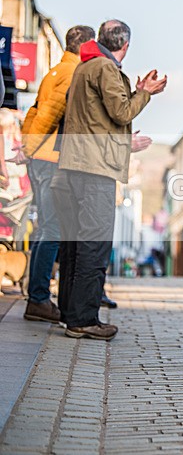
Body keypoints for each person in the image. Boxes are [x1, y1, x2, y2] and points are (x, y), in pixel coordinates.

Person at [52, 19, 165, 340]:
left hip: (73, 166)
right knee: (93, 244)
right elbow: (121, 112)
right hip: (95, 169)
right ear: (125, 45)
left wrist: (134, 92)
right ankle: (84, 319)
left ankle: (69, 314)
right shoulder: (104, 67)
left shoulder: (84, 67)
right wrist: (144, 93)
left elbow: (99, 118)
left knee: (74, 244)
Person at [18, 25, 95, 324]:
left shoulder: (55, 70)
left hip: (40, 157)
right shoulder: (72, 72)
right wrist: (32, 147)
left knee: (45, 230)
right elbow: (49, 114)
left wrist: (27, 146)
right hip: (49, 159)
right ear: (86, 46)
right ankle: (38, 299)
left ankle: (35, 296)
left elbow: (34, 111)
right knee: (53, 231)